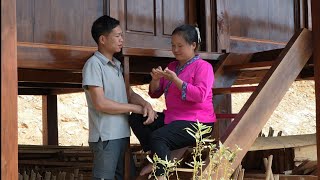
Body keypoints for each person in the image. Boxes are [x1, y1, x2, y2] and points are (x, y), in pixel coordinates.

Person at [129, 24, 216, 179]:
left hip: (198, 123)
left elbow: (200, 95)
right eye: (173, 45)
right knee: (136, 118)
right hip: (173, 119)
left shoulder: (204, 67)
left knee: (159, 137)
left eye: (180, 45)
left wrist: (176, 80)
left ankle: (161, 173)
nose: (175, 49)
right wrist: (155, 80)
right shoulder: (172, 66)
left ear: (193, 45)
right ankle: (159, 157)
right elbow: (155, 93)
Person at [82, 15, 157, 180]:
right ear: (103, 39)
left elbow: (128, 93)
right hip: (106, 136)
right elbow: (100, 103)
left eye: (122, 35)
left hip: (122, 133)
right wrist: (135, 108)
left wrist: (145, 104)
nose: (122, 39)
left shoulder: (117, 64)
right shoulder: (94, 64)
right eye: (117, 36)